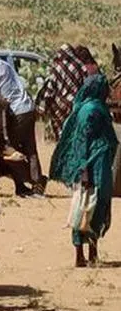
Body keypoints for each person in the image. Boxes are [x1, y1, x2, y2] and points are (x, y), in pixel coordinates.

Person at [50, 74, 119, 267]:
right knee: (89, 208)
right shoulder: (92, 110)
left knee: (88, 207)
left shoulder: (89, 107)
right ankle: (87, 253)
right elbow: (83, 142)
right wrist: (84, 170)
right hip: (93, 166)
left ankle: (86, 253)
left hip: (96, 164)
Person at [0, 43, 45, 195]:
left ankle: (23, 182)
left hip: (17, 111)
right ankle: (37, 182)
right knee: (30, 148)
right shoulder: (5, 64)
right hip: (27, 107)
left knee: (10, 150)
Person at [38, 45, 89, 140]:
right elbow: (86, 83)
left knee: (62, 131)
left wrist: (43, 107)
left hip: (60, 105)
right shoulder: (80, 65)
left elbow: (50, 89)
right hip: (77, 103)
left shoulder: (58, 68)